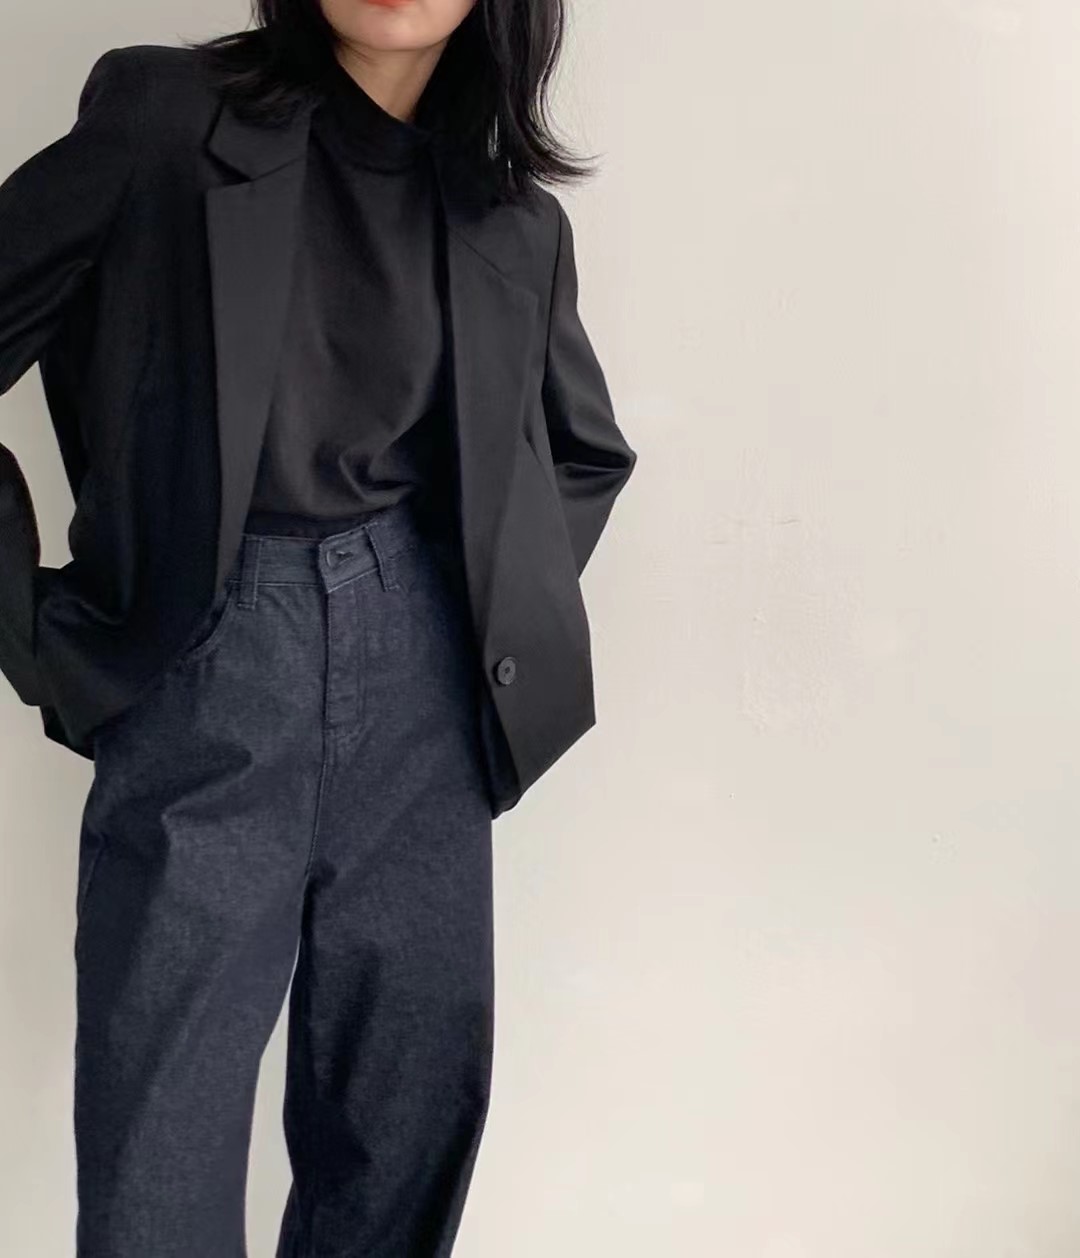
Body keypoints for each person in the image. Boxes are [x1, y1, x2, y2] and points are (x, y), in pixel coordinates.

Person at [0, 0, 637, 1252]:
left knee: (402, 1124)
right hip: (212, 662)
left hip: (426, 686)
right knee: (159, 1134)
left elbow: (582, 452)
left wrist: (476, 617)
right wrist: (40, 627)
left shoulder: (513, 218)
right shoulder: (167, 121)